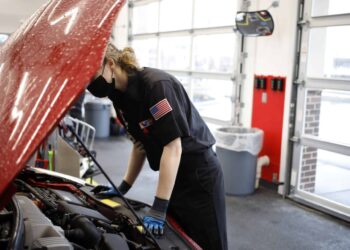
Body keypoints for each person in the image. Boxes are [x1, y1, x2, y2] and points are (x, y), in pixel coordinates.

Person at [88, 43, 228, 250]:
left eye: (92, 78)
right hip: (172, 178)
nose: (90, 85)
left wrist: (159, 207)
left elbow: (173, 147)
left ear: (110, 64)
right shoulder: (118, 96)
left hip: (198, 176)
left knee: (208, 244)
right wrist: (123, 187)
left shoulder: (156, 86)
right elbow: (139, 143)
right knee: (180, 242)